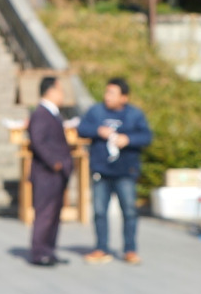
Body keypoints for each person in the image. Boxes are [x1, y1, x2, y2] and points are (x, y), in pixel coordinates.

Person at [78, 77, 152, 265]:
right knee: (99, 211)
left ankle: (130, 249)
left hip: (125, 171)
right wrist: (98, 130)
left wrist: (128, 140)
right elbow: (81, 128)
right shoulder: (96, 111)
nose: (107, 96)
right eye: (107, 92)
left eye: (112, 93)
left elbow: (146, 136)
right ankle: (101, 247)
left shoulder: (134, 114)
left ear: (124, 97)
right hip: (101, 170)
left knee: (129, 211)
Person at [27, 76, 72, 267]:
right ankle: (39, 253)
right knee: (45, 214)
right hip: (46, 173)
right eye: (60, 90)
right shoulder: (41, 113)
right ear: (51, 91)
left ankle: (49, 250)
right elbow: (37, 141)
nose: (63, 95)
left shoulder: (52, 113)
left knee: (54, 215)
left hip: (55, 174)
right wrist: (55, 162)